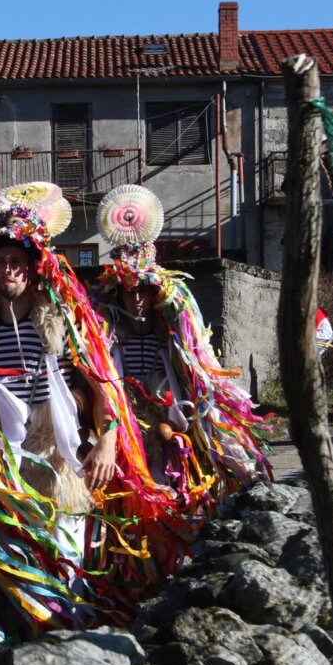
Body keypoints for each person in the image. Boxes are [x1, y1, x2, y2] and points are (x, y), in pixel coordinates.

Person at [0, 183, 117, 560]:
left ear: (31, 269)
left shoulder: (63, 321)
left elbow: (101, 385)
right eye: (1, 262)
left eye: (15, 262)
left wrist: (106, 438)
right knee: (15, 562)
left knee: (66, 557)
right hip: (2, 461)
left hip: (59, 458)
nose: (7, 269)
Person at [90, 184, 271, 511]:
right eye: (128, 292)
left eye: (143, 291)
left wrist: (173, 423)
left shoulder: (172, 334)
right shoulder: (108, 336)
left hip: (170, 424)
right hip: (124, 425)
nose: (136, 299)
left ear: (156, 293)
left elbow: (194, 386)